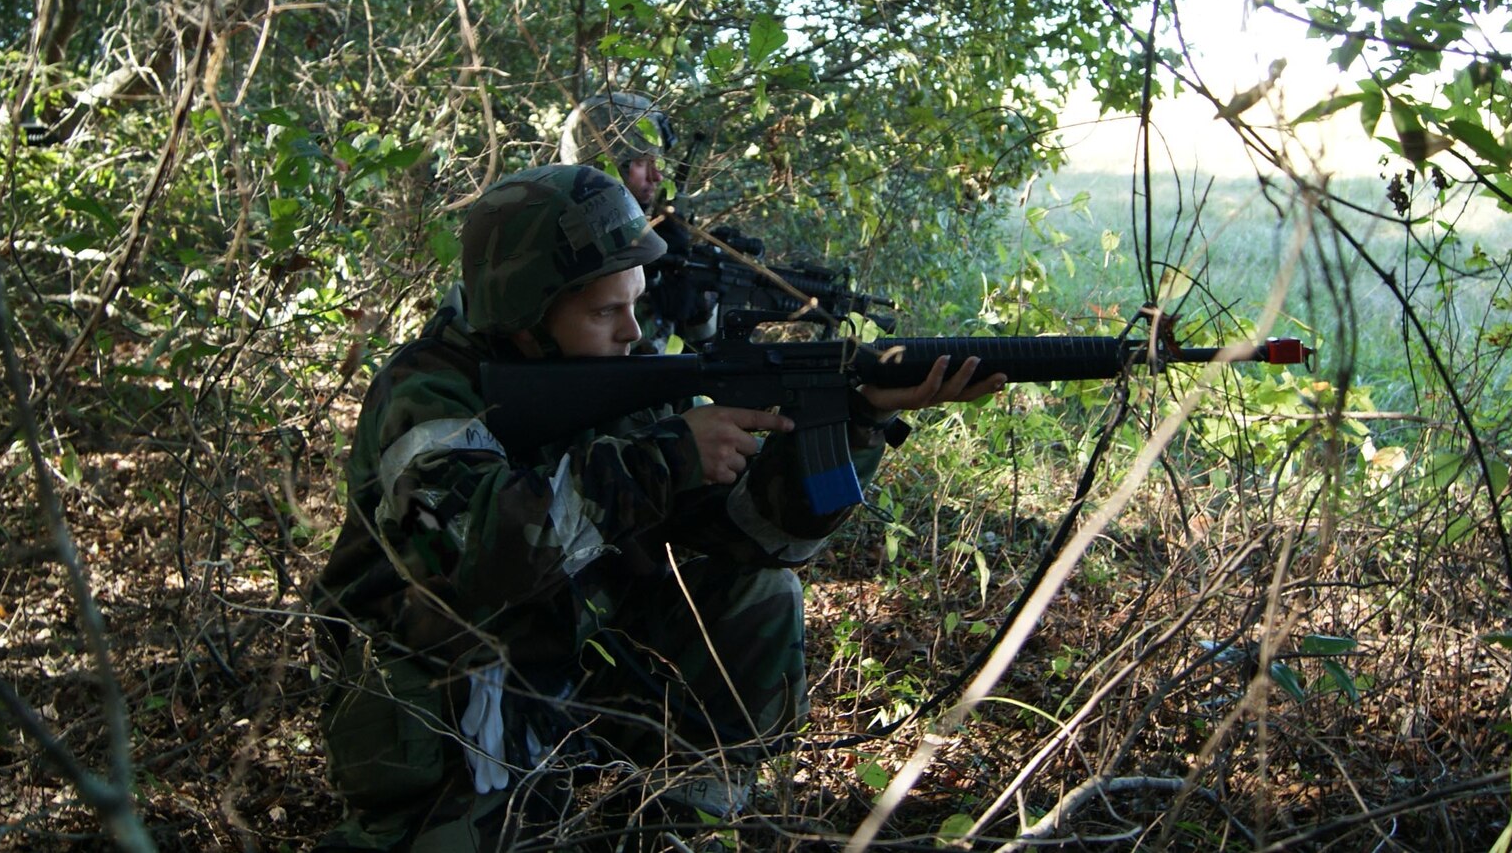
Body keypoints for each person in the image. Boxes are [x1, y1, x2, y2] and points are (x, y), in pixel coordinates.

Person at [309, 164, 1001, 852]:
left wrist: (853, 417)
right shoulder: (424, 393)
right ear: (525, 311)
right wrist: (665, 457)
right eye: (606, 310)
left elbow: (757, 533)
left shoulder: (617, 378)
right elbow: (480, 563)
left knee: (758, 595)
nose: (634, 331)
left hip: (575, 660)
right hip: (437, 695)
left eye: (636, 303)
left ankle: (685, 825)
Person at [557, 91, 712, 352]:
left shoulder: (641, 229)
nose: (657, 176)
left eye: (656, 161)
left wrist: (699, 309)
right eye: (641, 162)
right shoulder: (560, 234)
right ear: (601, 162)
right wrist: (649, 291)